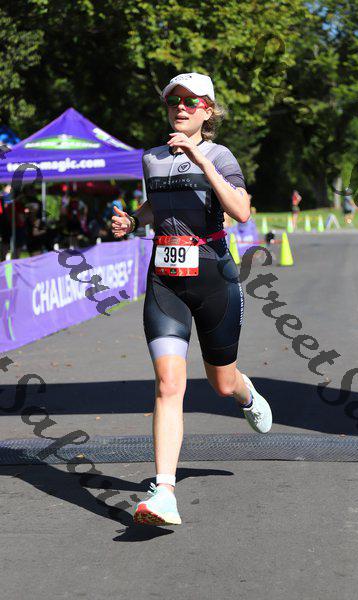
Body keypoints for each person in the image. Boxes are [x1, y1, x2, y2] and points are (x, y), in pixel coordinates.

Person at [111, 72, 273, 527]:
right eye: (173, 102)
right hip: (165, 283)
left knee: (221, 383)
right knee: (168, 384)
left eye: (190, 102)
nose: (180, 108)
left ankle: (245, 393)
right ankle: (164, 492)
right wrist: (133, 221)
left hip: (214, 279)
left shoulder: (220, 155)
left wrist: (200, 159)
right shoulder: (152, 158)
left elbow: (241, 211)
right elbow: (157, 205)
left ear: (208, 111)